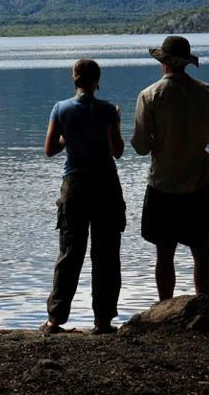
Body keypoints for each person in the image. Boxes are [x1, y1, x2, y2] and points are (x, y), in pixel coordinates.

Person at [131, 35, 209, 302]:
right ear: (185, 63)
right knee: (201, 250)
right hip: (197, 182)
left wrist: (156, 142)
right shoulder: (207, 92)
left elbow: (140, 146)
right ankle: (202, 304)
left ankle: (165, 308)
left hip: (162, 183)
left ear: (163, 63)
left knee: (164, 252)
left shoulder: (149, 95)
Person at [41, 58, 126, 335]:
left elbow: (50, 149)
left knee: (69, 253)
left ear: (74, 79)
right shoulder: (107, 110)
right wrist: (117, 121)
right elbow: (117, 150)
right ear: (97, 81)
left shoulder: (60, 109)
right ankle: (103, 321)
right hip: (105, 185)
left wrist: (69, 136)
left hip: (74, 185)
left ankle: (55, 319)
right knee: (106, 254)